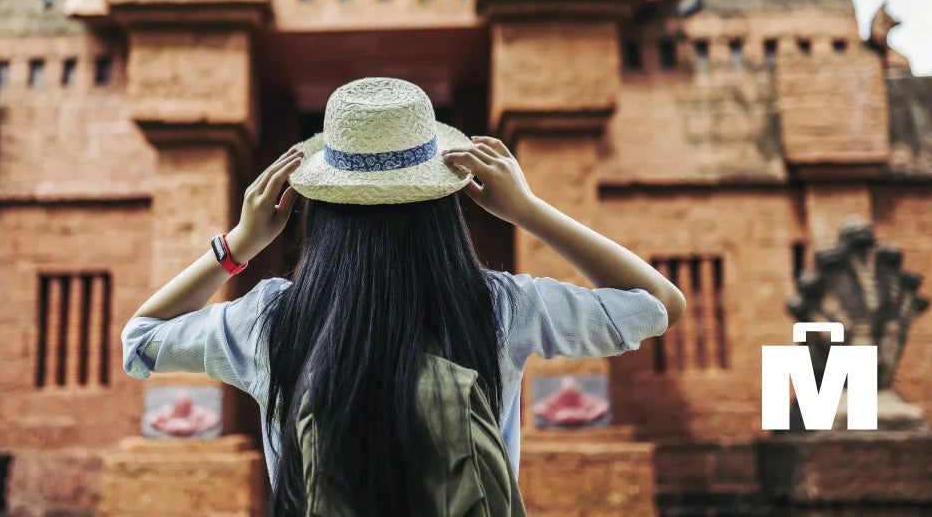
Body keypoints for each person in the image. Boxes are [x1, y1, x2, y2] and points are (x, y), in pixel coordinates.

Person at [122, 77, 685, 516]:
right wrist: (527, 212)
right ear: (443, 204)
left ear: (319, 207)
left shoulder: (269, 321)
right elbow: (658, 302)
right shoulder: (498, 308)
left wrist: (237, 244)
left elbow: (139, 340)